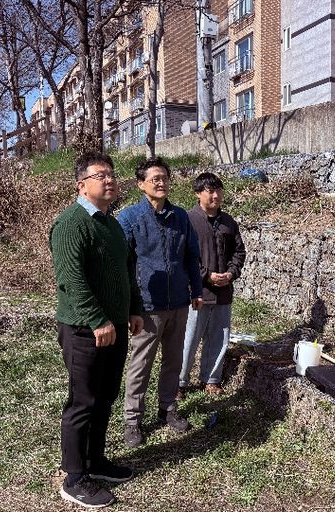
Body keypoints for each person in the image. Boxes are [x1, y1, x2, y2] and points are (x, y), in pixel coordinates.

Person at [49, 151, 144, 508]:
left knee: (105, 396)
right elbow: (70, 279)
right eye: (100, 175)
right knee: (83, 401)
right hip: (83, 328)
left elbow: (126, 271)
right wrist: (97, 319)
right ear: (81, 185)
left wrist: (133, 309)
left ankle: (96, 461)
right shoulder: (71, 223)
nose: (109, 180)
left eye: (111, 174)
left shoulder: (111, 224)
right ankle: (74, 476)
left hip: (114, 326)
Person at [118, 158, 203, 448]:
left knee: (173, 360)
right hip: (147, 305)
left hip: (178, 302)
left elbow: (191, 256)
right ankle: (133, 420)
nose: (161, 182)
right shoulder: (130, 218)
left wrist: (196, 290)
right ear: (141, 184)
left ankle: (168, 408)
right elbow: (123, 263)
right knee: (141, 363)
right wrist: (131, 305)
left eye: (165, 177)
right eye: (155, 178)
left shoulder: (180, 217)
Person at [178, 172, 246, 396]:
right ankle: (179, 382)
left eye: (218, 190)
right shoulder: (187, 220)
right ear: (198, 194)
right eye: (210, 191)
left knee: (219, 337)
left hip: (223, 292)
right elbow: (182, 255)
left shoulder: (228, 222)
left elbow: (239, 252)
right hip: (196, 292)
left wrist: (231, 273)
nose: (216, 195)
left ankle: (211, 379)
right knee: (188, 339)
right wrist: (206, 275)